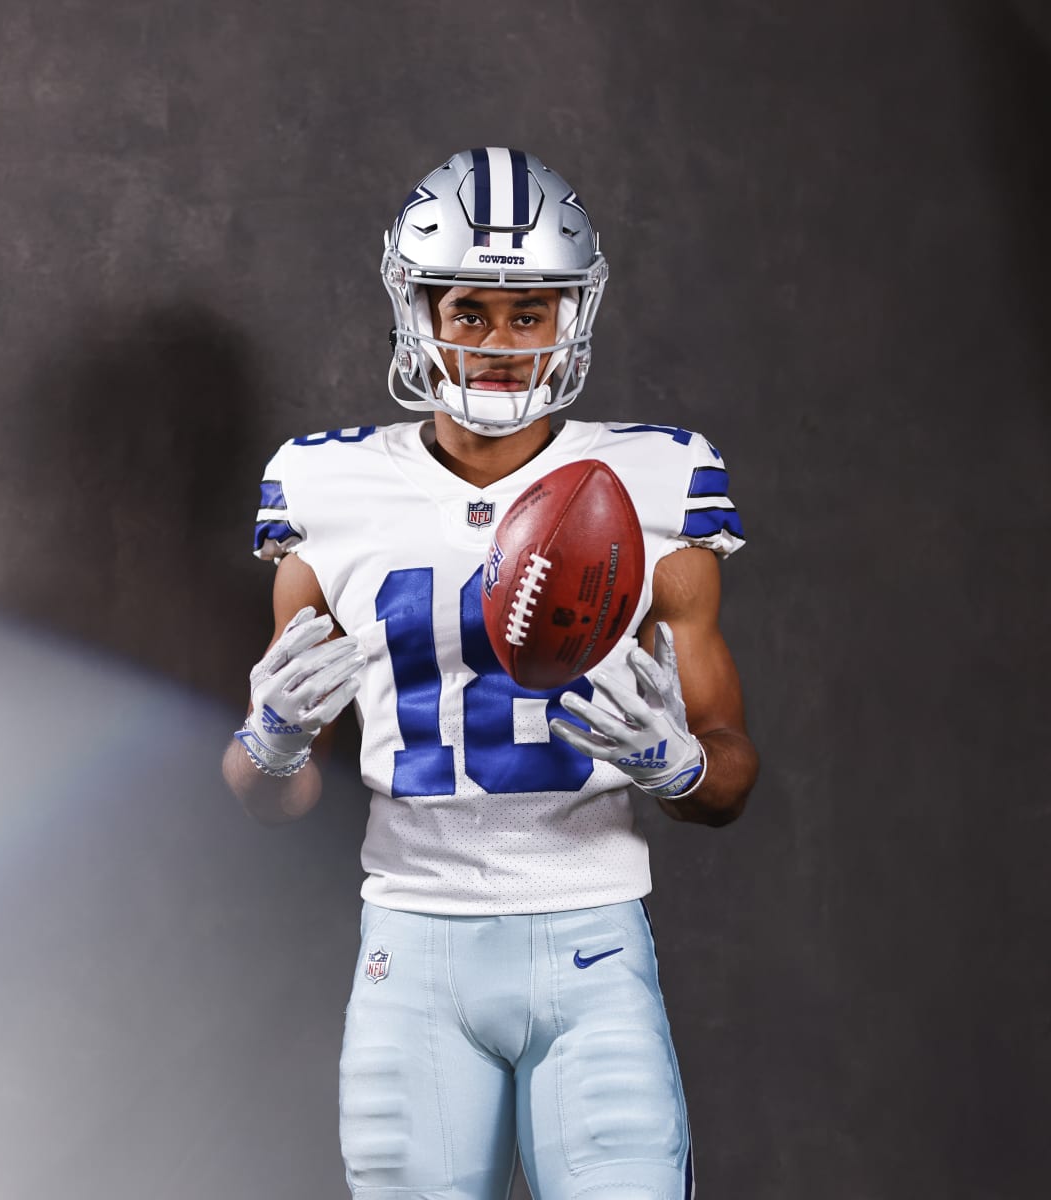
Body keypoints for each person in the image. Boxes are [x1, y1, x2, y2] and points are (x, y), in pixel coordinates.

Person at [221, 148, 758, 1200]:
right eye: (471, 310)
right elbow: (274, 795)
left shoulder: (655, 480)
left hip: (593, 943)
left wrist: (680, 766)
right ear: (417, 307)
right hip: (413, 949)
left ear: (574, 314)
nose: (502, 344)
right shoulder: (328, 486)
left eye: (532, 312)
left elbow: (733, 771)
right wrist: (268, 740)